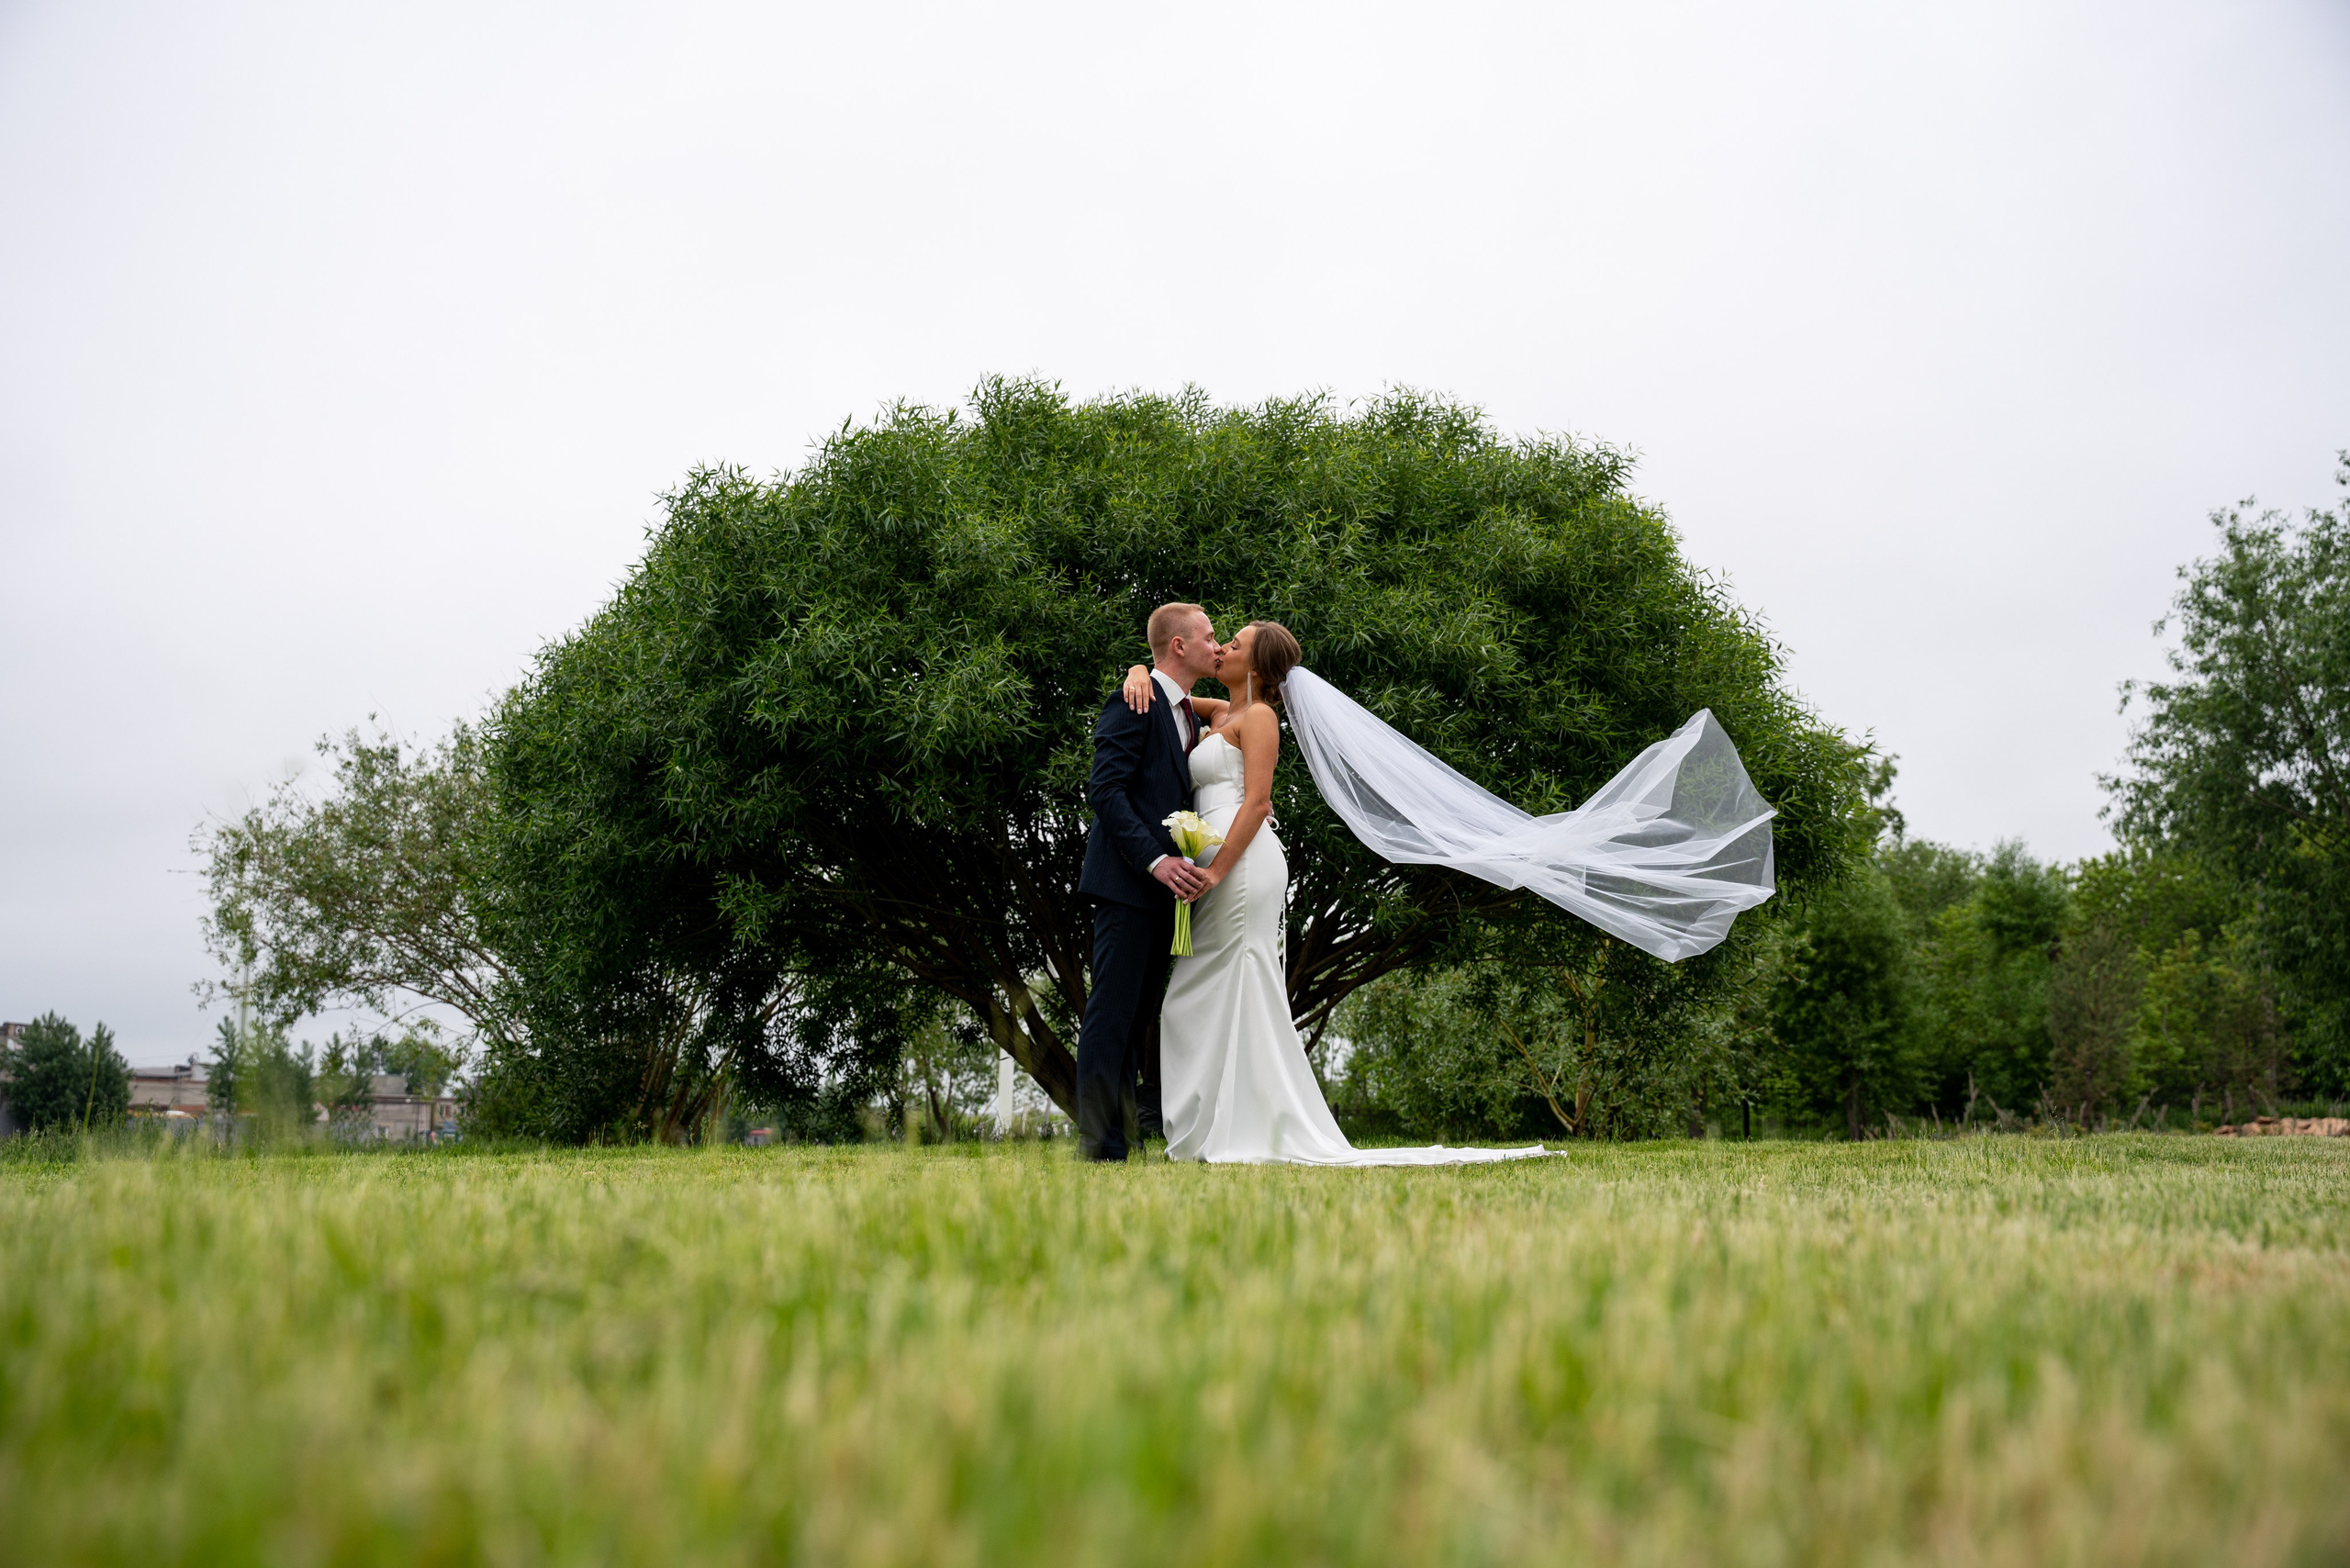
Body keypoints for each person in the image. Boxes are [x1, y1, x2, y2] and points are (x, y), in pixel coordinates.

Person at [1120, 622, 1555, 1165]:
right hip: (1211, 859)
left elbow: (1257, 804)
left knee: (1225, 981)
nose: (1224, 648)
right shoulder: (1215, 714)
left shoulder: (1259, 718)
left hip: (1243, 865)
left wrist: (1215, 873)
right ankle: (1215, 1125)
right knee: (1203, 990)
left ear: (1256, 668)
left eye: (1236, 644)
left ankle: (1241, 1129)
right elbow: (1169, 695)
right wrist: (1139, 669)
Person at [1072, 601, 1222, 1161]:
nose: (1217, 644)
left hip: (1167, 893)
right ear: (1179, 646)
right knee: (1110, 1013)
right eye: (1209, 636)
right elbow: (1105, 792)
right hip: (1127, 883)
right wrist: (1156, 863)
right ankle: (1099, 1146)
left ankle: (1127, 1136)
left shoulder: (1186, 710)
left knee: (1139, 1019)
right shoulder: (1132, 700)